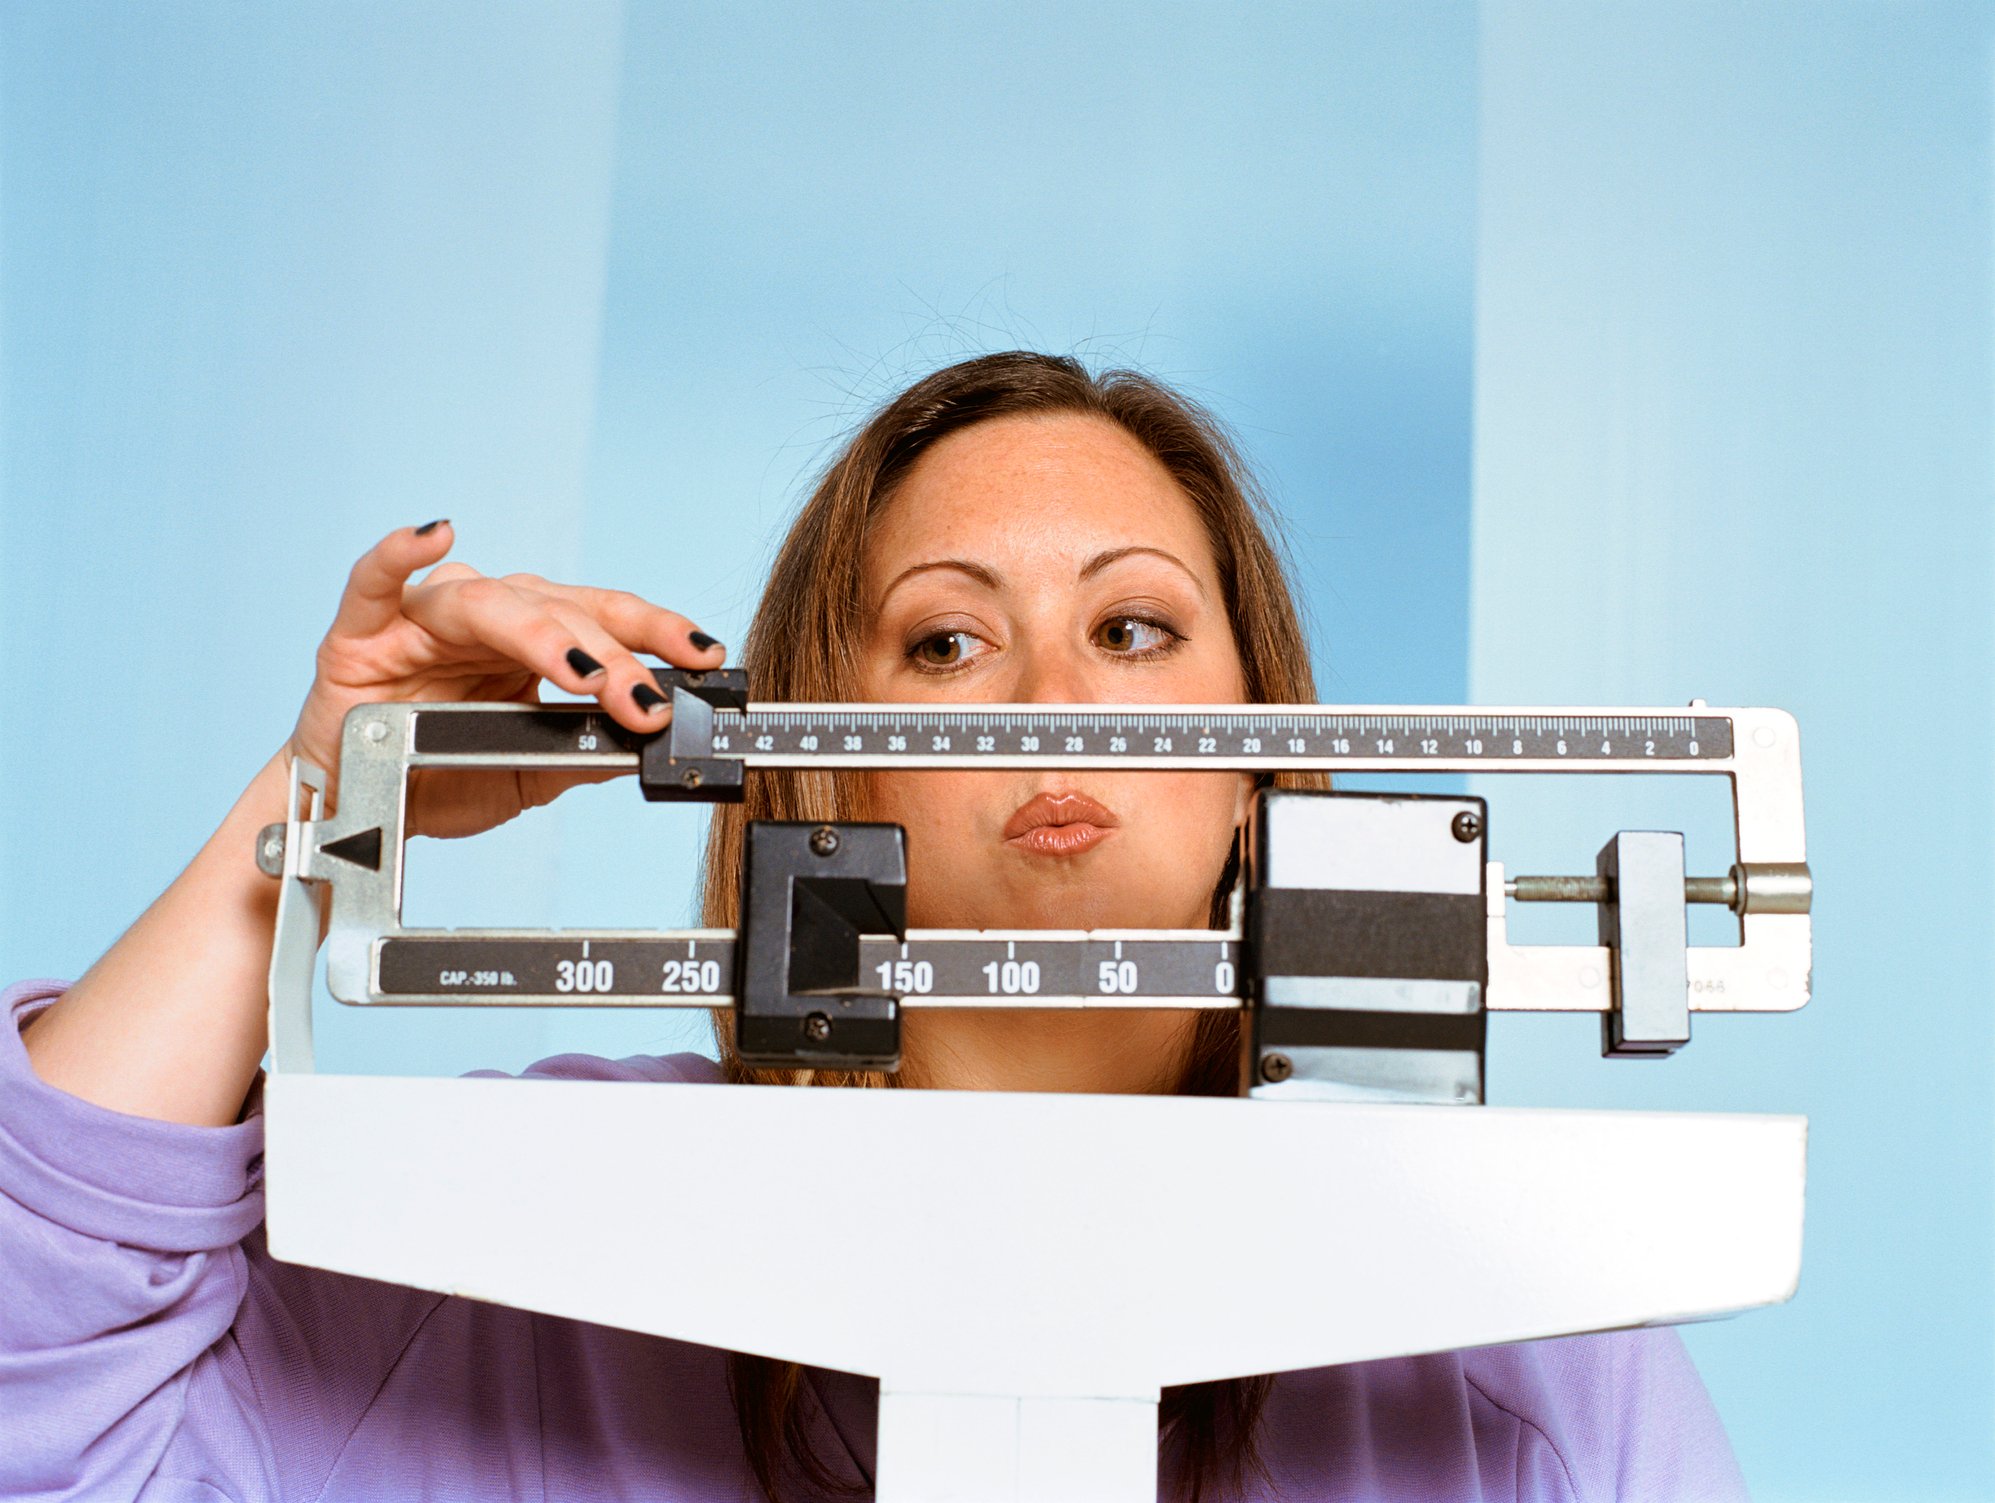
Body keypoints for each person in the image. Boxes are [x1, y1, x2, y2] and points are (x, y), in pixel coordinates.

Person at [0, 352, 1749, 1502]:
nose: (1058, 706)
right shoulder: (521, 1250)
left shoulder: (1512, 1347)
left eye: (1134, 633)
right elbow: (46, 1421)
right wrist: (303, 804)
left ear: (1263, 753)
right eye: (944, 645)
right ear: (822, 767)